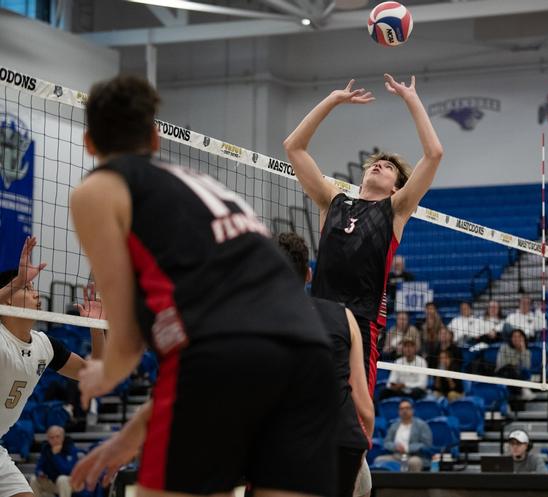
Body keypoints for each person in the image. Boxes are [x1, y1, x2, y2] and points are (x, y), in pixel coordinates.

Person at [67, 75, 337, 497]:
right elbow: (247, 339)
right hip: (311, 357)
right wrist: (133, 434)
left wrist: (103, 373)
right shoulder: (207, 186)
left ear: (88, 143)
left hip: (218, 358)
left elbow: (128, 336)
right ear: (155, 140)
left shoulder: (98, 190)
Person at [284, 75, 443, 397]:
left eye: (388, 168)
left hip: (361, 323)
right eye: (376, 164)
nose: (379, 166)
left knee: (356, 413)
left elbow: (434, 154)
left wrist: (411, 98)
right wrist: (332, 99)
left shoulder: (396, 209)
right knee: (308, 405)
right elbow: (294, 147)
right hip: (318, 318)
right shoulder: (333, 201)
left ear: (397, 187)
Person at [0, 237, 104, 497]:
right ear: (8, 301)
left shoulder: (44, 345)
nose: (36, 292)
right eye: (27, 287)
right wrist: (16, 281)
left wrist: (96, 328)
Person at [276, 232, 373, 497]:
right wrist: (361, 459)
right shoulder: (345, 316)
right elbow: (365, 409)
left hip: (291, 441)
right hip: (344, 442)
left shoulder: (259, 316)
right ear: (308, 275)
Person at [374, 400, 433, 472]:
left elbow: (426, 445)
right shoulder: (394, 426)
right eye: (401, 409)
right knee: (379, 460)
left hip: (415, 456)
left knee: (414, 462)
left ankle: (412, 483)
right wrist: (395, 447)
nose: (404, 411)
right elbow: (386, 443)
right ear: (398, 411)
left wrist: (406, 448)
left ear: (412, 410)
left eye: (407, 408)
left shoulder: (422, 425)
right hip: (396, 455)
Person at [30, 426, 78, 497]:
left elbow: (67, 471)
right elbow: (38, 467)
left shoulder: (70, 449)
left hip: (70, 483)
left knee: (62, 479)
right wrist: (40, 473)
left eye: (57, 436)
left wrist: (56, 456)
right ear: (48, 439)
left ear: (63, 437)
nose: (55, 440)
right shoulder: (46, 449)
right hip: (52, 482)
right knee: (34, 479)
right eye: (52, 438)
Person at [496, 328, 534, 401]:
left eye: (519, 336)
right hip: (504, 373)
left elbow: (526, 367)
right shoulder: (504, 348)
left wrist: (522, 350)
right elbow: (500, 364)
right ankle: (522, 390)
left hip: (519, 375)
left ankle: (518, 393)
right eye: (514, 336)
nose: (517, 339)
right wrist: (514, 364)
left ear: (523, 339)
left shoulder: (527, 352)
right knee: (510, 369)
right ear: (511, 338)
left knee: (520, 372)